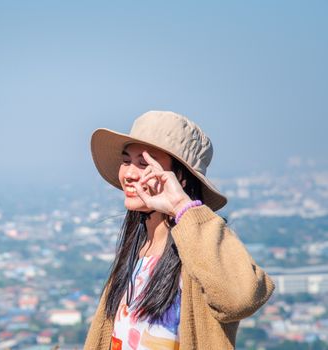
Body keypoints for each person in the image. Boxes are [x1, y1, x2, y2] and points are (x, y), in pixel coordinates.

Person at [84, 111, 274, 350]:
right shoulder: (136, 250)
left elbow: (241, 299)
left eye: (144, 163)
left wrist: (182, 207)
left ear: (180, 177)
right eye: (126, 161)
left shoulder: (202, 253)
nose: (130, 174)